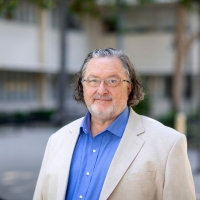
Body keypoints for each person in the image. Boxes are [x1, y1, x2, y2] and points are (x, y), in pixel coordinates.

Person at [33, 48, 195, 200]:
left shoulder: (169, 144)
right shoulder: (57, 140)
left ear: (129, 87)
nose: (101, 90)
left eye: (112, 81)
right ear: (83, 86)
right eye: (93, 80)